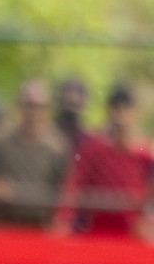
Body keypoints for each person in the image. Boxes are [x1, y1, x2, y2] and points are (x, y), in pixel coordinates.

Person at [55, 86, 152, 238]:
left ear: (135, 113)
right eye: (116, 107)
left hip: (133, 235)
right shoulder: (92, 150)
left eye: (126, 108)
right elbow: (73, 187)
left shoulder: (145, 154)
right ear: (108, 111)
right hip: (94, 232)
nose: (121, 114)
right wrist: (64, 220)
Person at [0, 79, 67, 227]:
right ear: (19, 105)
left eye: (39, 107)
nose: (33, 112)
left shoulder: (57, 148)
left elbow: (65, 192)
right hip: (2, 226)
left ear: (47, 110)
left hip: (39, 229)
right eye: (29, 105)